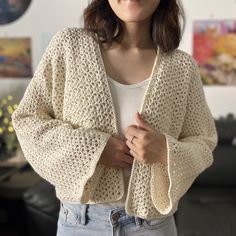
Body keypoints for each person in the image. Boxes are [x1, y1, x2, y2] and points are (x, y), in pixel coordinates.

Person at [11, 0, 218, 235]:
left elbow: (204, 141)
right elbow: (27, 119)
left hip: (153, 227)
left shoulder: (181, 67)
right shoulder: (69, 46)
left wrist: (165, 151)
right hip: (80, 224)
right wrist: (93, 149)